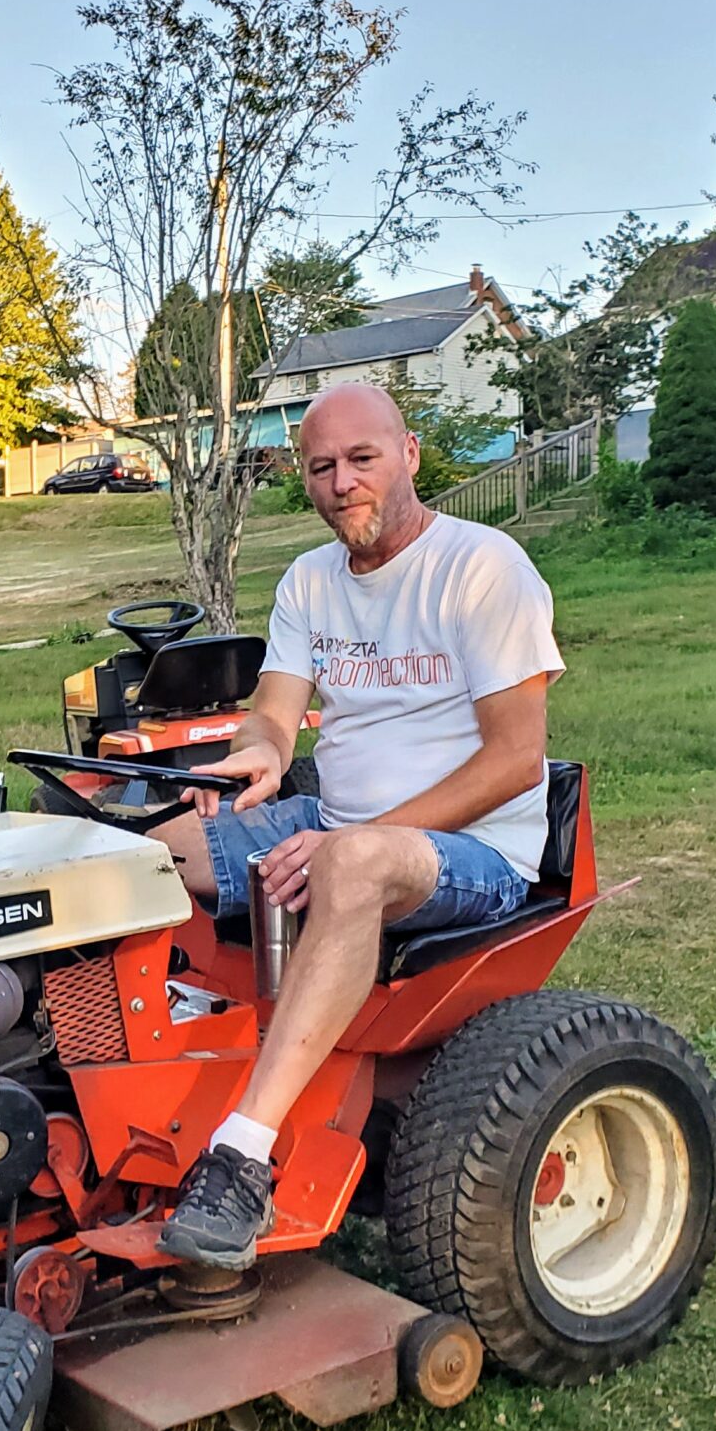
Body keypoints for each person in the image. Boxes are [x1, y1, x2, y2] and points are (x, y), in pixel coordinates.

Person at [154, 382, 564, 1269]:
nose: (343, 483)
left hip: (475, 851)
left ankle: (241, 1158)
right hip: (335, 822)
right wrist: (258, 752)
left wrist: (351, 844)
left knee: (352, 868)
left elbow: (514, 762)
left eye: (362, 459)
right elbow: (273, 713)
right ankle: (155, 1069)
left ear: (409, 454)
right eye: (322, 467)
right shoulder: (310, 581)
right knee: (146, 857)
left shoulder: (483, 569)